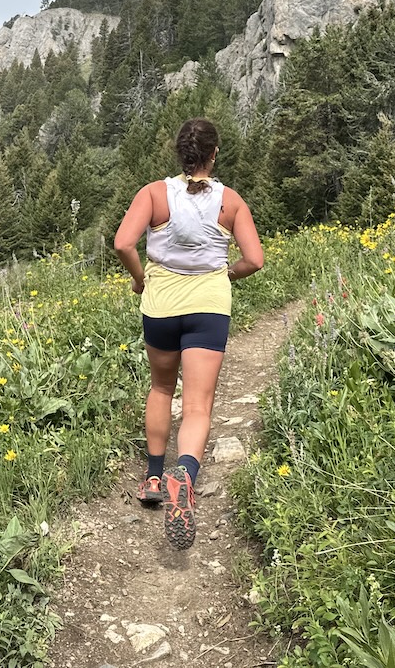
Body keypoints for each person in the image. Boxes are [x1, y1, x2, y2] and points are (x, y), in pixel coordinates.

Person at [113, 118, 264, 550]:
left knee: (161, 389)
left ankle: (155, 476)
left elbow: (123, 243)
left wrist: (141, 279)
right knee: (197, 405)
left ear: (180, 154)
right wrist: (226, 275)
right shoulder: (230, 201)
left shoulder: (154, 193)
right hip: (208, 308)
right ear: (214, 154)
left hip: (160, 306)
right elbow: (254, 259)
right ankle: (187, 478)